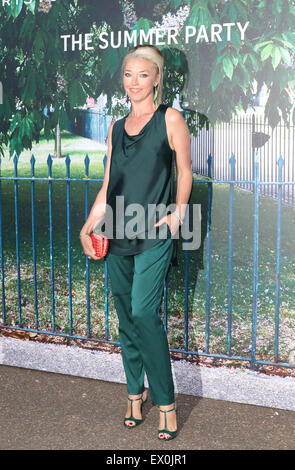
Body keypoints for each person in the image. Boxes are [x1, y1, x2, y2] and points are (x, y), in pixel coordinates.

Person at [80, 44, 192, 441]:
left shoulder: (171, 119)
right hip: (116, 231)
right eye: (129, 74)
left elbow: (184, 171)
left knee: (144, 314)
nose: (135, 82)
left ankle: (165, 400)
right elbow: (109, 184)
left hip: (155, 232)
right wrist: (88, 225)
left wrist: (178, 213)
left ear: (157, 78)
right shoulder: (114, 127)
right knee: (126, 317)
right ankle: (133, 392)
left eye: (144, 74)